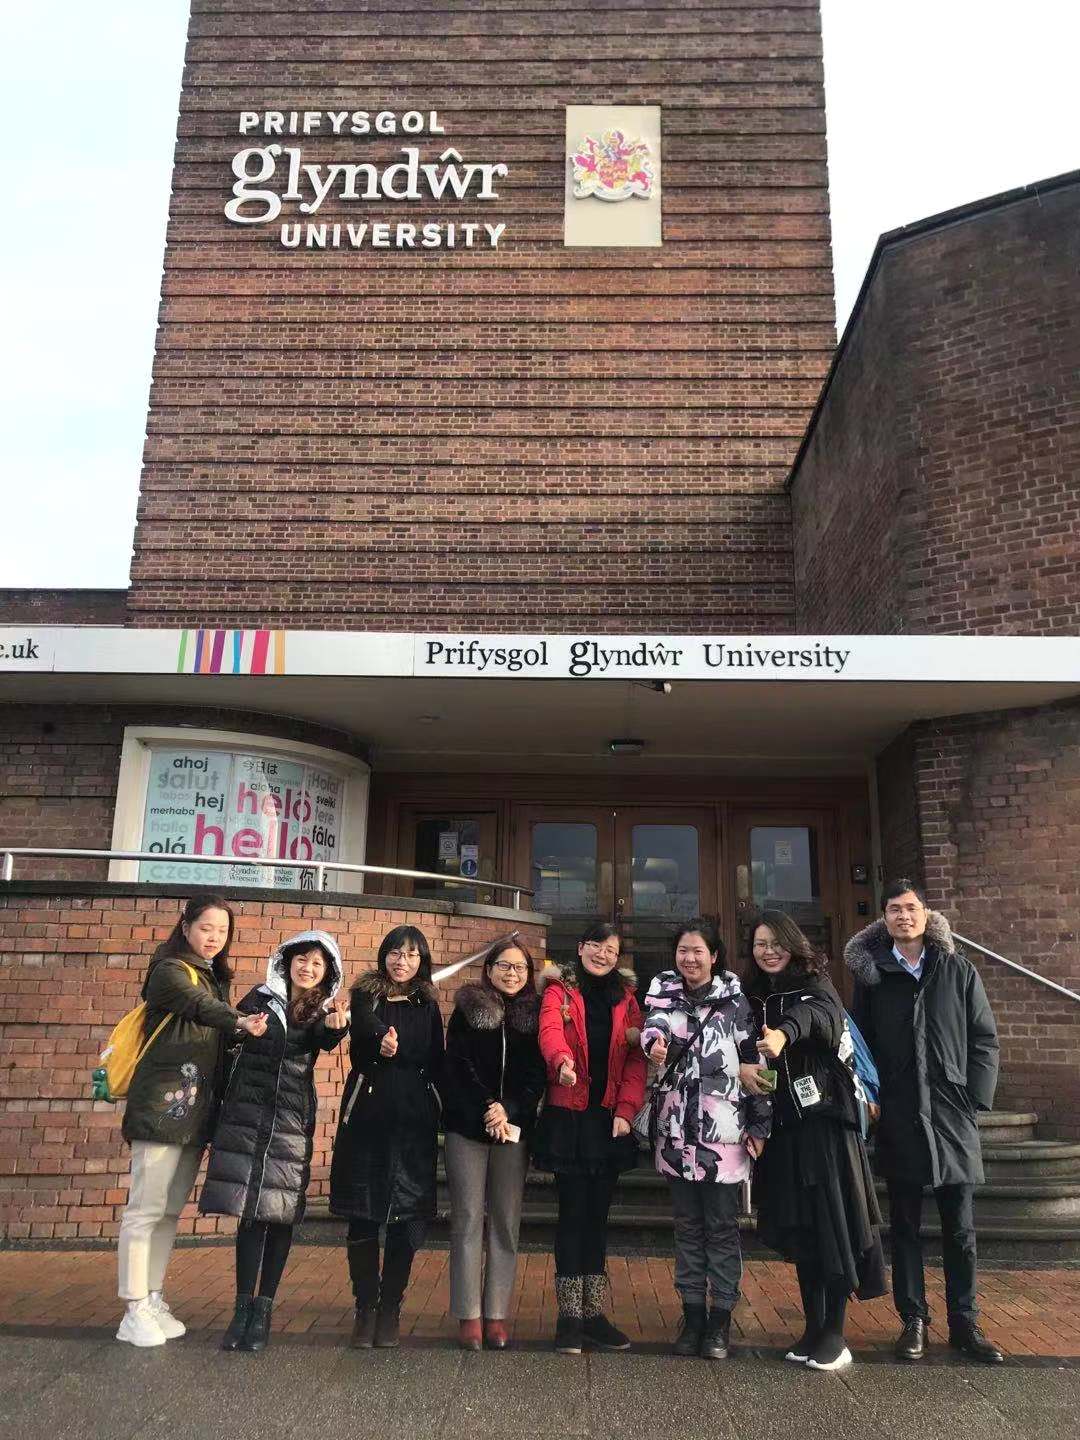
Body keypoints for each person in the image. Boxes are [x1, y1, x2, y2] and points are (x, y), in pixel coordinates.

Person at [846, 880, 1003, 1364]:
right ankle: (913, 1319)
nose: (904, 916)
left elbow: (984, 1038)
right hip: (900, 1114)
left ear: (927, 913)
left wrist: (973, 1099)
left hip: (952, 1114)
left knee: (960, 1228)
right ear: (884, 919)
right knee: (906, 1225)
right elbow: (859, 1045)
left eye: (911, 907)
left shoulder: (957, 970)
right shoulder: (873, 977)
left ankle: (965, 1322)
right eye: (894, 909)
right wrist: (871, 1099)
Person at [116, 896, 268, 1347]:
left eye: (222, 931)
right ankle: (133, 1307)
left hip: (195, 1113)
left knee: (167, 1211)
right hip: (161, 1110)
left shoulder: (214, 978)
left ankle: (152, 1296)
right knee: (144, 1210)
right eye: (206, 928)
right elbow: (198, 1006)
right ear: (185, 928)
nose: (214, 937)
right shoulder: (169, 971)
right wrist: (240, 1021)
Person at [741, 909, 886, 1371]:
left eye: (775, 943)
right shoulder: (756, 995)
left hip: (825, 1129)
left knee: (832, 1227)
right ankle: (813, 1327)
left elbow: (818, 1017)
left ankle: (835, 1334)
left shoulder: (815, 986)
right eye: (760, 944)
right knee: (804, 1232)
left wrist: (784, 1034)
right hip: (785, 1129)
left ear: (793, 944)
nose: (768, 952)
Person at [200, 929, 350, 1352]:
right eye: (302, 959)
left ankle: (264, 1310)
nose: (308, 967)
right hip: (248, 1115)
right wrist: (243, 1029)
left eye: (317, 963)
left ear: (327, 972)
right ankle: (241, 1309)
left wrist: (335, 1029)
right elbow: (232, 1034)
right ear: (287, 960)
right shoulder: (260, 998)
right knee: (250, 1213)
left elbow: (322, 1038)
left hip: (289, 1119)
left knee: (279, 1214)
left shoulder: (321, 1010)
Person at [641, 920, 770, 1360]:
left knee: (721, 1228)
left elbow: (757, 1066)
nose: (689, 958)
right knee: (687, 1228)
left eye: (698, 951)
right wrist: (653, 1043)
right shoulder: (663, 994)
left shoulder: (736, 1003)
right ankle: (693, 1314)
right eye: (683, 950)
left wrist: (760, 1126)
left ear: (714, 956)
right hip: (676, 1136)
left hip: (723, 1138)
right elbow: (654, 1026)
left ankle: (721, 1319)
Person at [532, 920, 647, 1354]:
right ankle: (569, 1317)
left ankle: (594, 1315)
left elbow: (635, 1061)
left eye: (611, 950)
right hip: (569, 1119)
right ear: (580, 948)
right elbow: (549, 1032)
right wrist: (561, 1061)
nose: (603, 954)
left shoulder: (627, 999)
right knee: (572, 1215)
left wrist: (627, 1111)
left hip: (608, 1121)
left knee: (598, 1218)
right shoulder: (559, 991)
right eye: (596, 945)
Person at [329, 924, 444, 1349]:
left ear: (422, 960)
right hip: (368, 1117)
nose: (402, 961)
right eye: (396, 952)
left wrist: (437, 1108)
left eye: (412, 954)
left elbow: (437, 1060)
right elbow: (364, 1024)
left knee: (407, 1216)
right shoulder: (367, 994)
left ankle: (391, 1306)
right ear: (384, 955)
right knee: (364, 1213)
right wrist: (383, 1039)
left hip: (413, 1122)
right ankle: (365, 1307)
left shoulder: (428, 1004)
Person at [441, 936, 546, 1350]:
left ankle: (497, 1313)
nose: (512, 973)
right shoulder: (467, 1010)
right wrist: (488, 1107)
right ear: (488, 969)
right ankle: (469, 1314)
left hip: (513, 1131)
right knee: (467, 1218)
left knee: (505, 1220)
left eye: (520, 967)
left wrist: (509, 1109)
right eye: (504, 965)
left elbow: (536, 1076)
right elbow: (456, 1066)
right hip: (467, 1127)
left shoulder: (534, 1015)